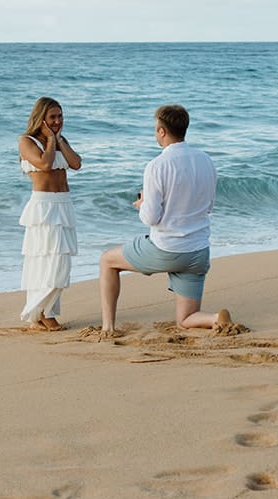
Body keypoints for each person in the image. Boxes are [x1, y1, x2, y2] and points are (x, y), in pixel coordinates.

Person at [99, 104, 232, 335]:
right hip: (198, 252)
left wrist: (141, 204)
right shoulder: (206, 160)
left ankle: (108, 327)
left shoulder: (157, 165)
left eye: (156, 128)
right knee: (186, 319)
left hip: (166, 250)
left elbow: (151, 217)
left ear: (162, 131)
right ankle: (215, 319)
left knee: (107, 261)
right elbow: (208, 206)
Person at [18, 96, 82, 329]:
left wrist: (58, 140)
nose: (57, 121)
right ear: (41, 118)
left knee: (60, 261)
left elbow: (76, 163)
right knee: (46, 261)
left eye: (60, 116)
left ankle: (43, 311)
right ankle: (41, 312)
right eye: (52, 117)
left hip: (64, 205)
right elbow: (44, 164)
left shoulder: (61, 139)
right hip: (44, 207)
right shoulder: (27, 141)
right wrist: (50, 141)